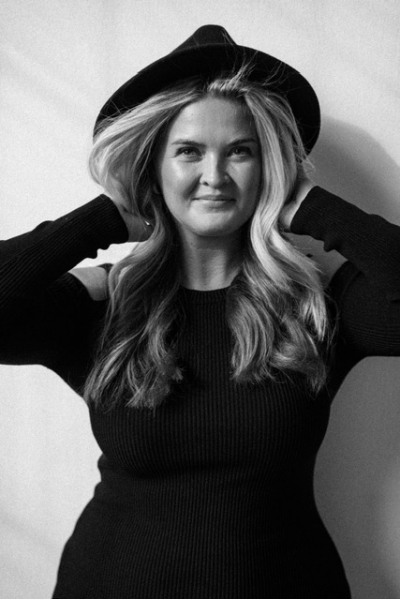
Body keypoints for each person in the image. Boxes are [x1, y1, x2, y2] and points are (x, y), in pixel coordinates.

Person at [1, 23, 400, 599]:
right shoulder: (104, 305)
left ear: (269, 168)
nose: (215, 176)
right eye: (188, 151)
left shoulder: (319, 304)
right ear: (153, 167)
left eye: (241, 151)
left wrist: (315, 207)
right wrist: (100, 220)